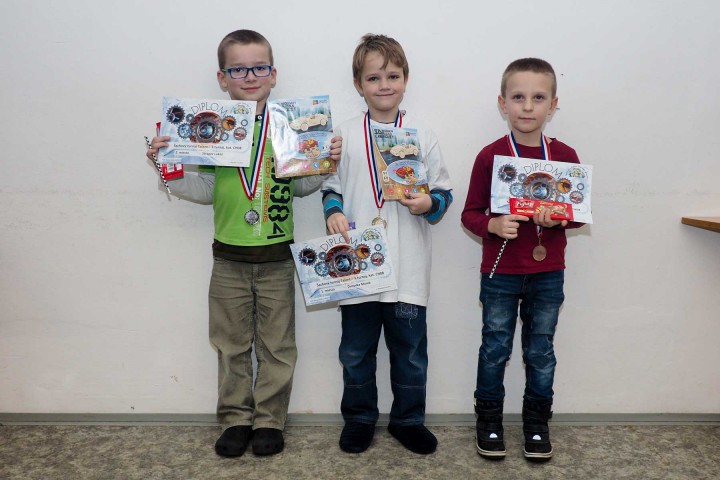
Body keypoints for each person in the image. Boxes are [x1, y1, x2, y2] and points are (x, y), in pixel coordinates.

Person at [146, 29, 342, 458]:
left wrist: (325, 163)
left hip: (278, 258)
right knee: (230, 345)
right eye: (238, 69)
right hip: (228, 258)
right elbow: (204, 190)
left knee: (277, 347)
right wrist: (167, 167)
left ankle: (270, 421)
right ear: (222, 78)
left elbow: (302, 186)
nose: (249, 76)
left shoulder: (290, 125)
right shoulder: (211, 129)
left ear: (273, 74)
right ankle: (235, 419)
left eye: (258, 67)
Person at [322, 34, 452, 455]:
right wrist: (332, 212)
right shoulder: (343, 135)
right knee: (355, 352)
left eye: (392, 76)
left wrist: (428, 203)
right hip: (357, 269)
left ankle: (408, 420)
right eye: (373, 77)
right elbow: (330, 186)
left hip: (408, 267)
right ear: (358, 84)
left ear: (405, 80)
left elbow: (443, 194)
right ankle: (360, 418)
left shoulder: (422, 134)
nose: (384, 85)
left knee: (410, 353)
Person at [461, 58, 585, 461]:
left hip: (548, 272)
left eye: (538, 98)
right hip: (500, 271)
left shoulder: (564, 155)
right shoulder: (490, 156)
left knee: (540, 351)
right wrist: (493, 225)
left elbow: (578, 212)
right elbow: (470, 214)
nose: (527, 107)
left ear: (553, 105)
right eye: (518, 97)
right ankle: (489, 421)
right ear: (503, 103)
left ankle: (536, 423)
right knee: (495, 348)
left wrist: (560, 218)